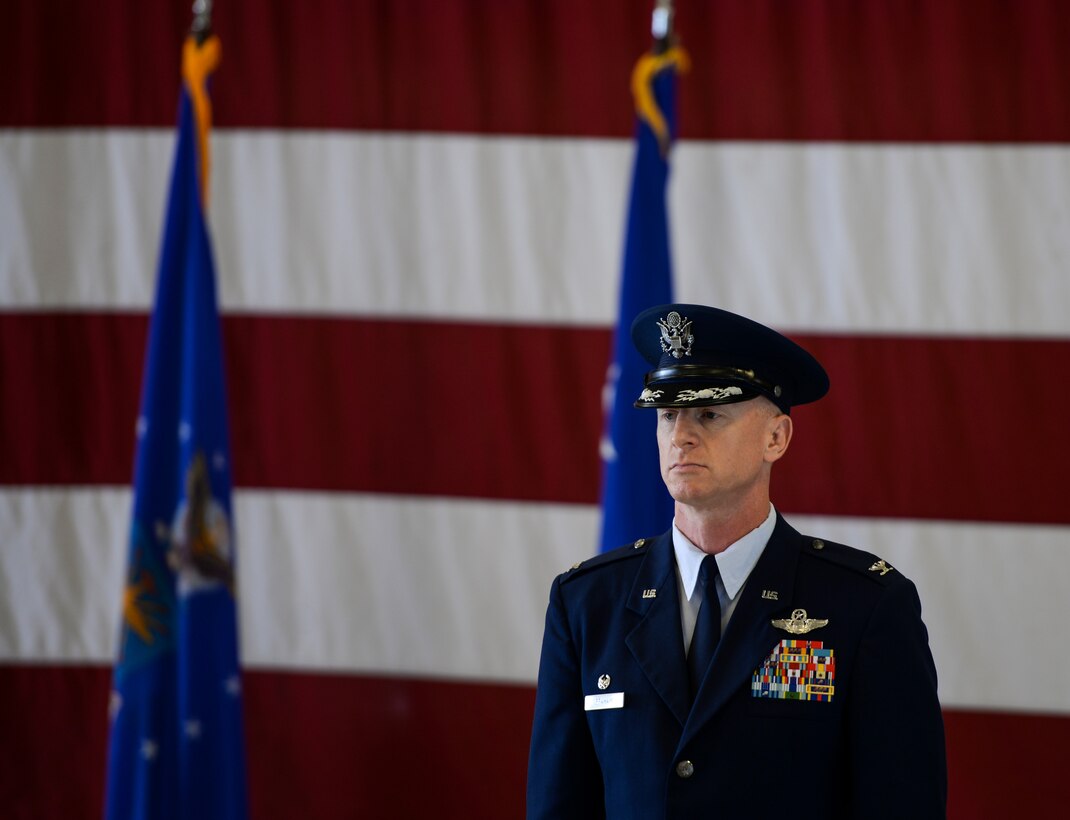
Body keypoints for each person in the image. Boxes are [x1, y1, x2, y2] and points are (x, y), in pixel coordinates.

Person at [526, 303, 946, 819]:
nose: (680, 435)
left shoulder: (864, 606)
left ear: (776, 438)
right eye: (667, 415)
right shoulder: (586, 604)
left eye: (709, 413)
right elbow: (558, 805)